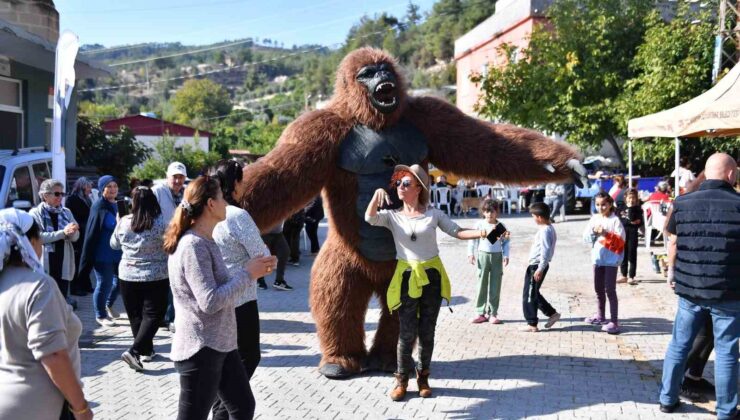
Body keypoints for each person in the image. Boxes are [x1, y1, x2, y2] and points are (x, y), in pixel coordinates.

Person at [365, 164, 485, 402]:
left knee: (427, 332)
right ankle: (401, 380)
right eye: (398, 183)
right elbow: (370, 218)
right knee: (406, 333)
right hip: (407, 277)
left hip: (431, 276)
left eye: (406, 183)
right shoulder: (393, 216)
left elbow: (457, 231)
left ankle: (423, 378)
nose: (400, 186)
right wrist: (375, 197)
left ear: (419, 188)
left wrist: (485, 233)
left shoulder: (434, 214)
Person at [163, 176, 275, 420]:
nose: (227, 203)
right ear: (210, 204)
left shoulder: (207, 240)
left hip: (222, 344)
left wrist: (256, 267)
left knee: (242, 407)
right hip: (200, 348)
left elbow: (219, 286)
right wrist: (248, 273)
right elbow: (210, 300)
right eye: (222, 198)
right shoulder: (194, 246)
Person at [658, 153, 739, 418]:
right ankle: (726, 411)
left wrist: (671, 272)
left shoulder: (682, 202)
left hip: (690, 289)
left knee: (679, 345)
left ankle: (667, 399)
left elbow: (673, 241)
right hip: (728, 292)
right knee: (727, 352)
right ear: (730, 174)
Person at [0, 208, 92, 420]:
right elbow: (52, 354)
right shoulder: (39, 287)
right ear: (29, 242)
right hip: (38, 406)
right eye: (39, 239)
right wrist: (81, 408)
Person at [209, 160, 275, 420]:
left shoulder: (206, 212)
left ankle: (219, 410)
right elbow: (263, 255)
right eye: (242, 179)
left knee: (224, 361)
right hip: (241, 298)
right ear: (235, 183)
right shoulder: (236, 215)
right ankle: (223, 412)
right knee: (248, 357)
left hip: (215, 296)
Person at [110, 186, 169, 371]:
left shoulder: (124, 222)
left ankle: (146, 351)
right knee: (153, 314)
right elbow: (169, 244)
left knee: (135, 315)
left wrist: (118, 223)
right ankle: (136, 351)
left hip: (127, 274)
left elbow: (113, 245)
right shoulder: (161, 222)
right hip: (156, 274)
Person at [80, 175, 122, 327]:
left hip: (118, 252)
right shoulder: (99, 206)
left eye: (114, 186)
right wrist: (121, 221)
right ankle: (100, 315)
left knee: (120, 282)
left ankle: (109, 304)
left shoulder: (118, 204)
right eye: (108, 186)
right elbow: (112, 224)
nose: (112, 189)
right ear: (102, 189)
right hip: (102, 253)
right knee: (104, 283)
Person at [29, 179, 80, 299]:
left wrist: (73, 232)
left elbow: (75, 238)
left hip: (63, 262)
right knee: (44, 300)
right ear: (45, 195)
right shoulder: (35, 213)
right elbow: (38, 237)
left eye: (62, 194)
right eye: (57, 194)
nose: (60, 197)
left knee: (61, 299)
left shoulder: (66, 212)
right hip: (44, 263)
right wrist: (63, 233)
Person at [583, 192, 625, 334]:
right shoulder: (594, 218)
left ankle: (614, 321)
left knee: (610, 290)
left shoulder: (615, 221)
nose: (600, 207)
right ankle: (600, 316)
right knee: (598, 289)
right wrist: (593, 233)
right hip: (597, 259)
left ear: (610, 204)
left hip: (611, 261)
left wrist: (606, 234)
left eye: (603, 204)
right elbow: (585, 238)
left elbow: (620, 243)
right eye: (597, 204)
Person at [153, 162, 188, 331]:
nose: (178, 181)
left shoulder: (186, 193)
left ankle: (170, 317)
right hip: (161, 243)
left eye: (181, 177)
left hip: (179, 243)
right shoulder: (158, 191)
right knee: (162, 282)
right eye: (175, 177)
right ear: (168, 177)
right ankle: (162, 317)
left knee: (175, 281)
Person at [467, 198, 510, 325]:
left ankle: (493, 313)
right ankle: (480, 312)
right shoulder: (479, 225)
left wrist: (506, 255)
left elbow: (506, 243)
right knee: (481, 284)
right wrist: (470, 253)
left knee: (495, 285)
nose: (490, 214)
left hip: (497, 257)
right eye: (487, 211)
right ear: (483, 212)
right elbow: (472, 240)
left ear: (497, 212)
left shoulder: (501, 226)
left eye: (492, 211)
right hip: (482, 256)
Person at [522, 202, 561, 332]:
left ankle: (532, 323)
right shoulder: (548, 228)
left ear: (539, 217)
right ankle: (552, 314)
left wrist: (540, 268)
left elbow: (545, 251)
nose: (533, 218)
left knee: (529, 295)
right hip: (536, 265)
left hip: (537, 266)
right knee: (533, 292)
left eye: (533, 216)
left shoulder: (545, 231)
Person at [66, 177, 94, 297]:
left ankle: (85, 284)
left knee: (86, 261)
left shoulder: (87, 199)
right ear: (82, 187)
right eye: (88, 187)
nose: (90, 189)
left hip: (86, 233)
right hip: (78, 234)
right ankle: (75, 288)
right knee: (77, 261)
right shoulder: (72, 199)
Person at [258, 222, 293, 291]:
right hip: (265, 232)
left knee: (285, 252)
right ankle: (259, 279)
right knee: (263, 256)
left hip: (278, 232)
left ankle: (279, 281)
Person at [618, 189, 642, 285]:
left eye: (633, 198)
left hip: (633, 234)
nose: (631, 200)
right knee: (623, 254)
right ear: (625, 198)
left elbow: (638, 221)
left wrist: (631, 208)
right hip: (623, 234)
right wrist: (630, 222)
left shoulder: (638, 209)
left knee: (632, 255)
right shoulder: (621, 208)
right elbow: (620, 221)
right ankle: (624, 275)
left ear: (636, 199)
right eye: (629, 198)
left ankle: (631, 276)